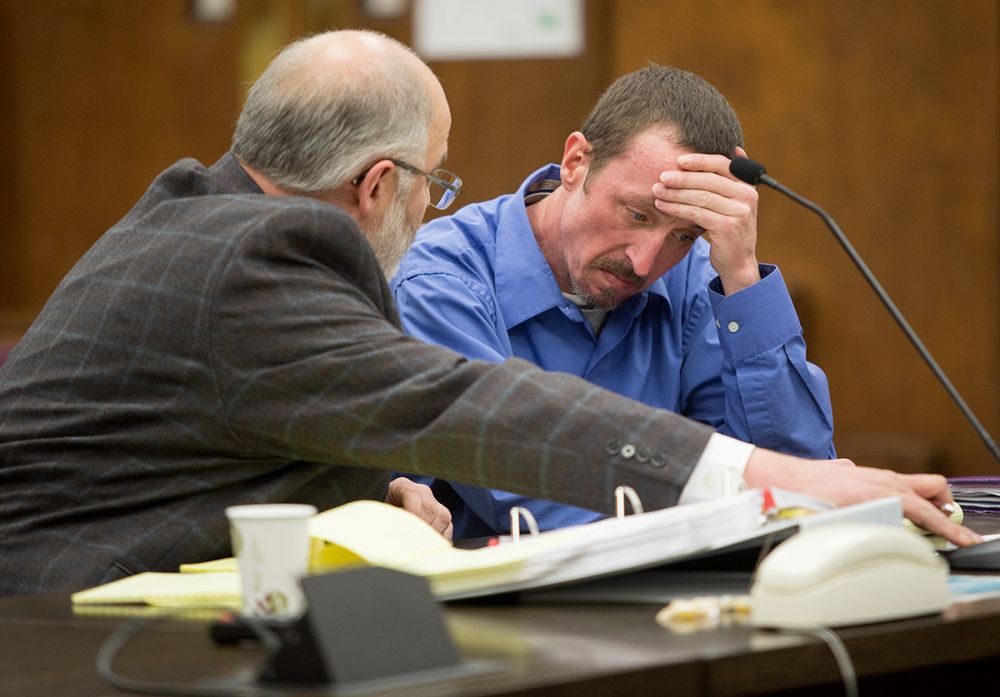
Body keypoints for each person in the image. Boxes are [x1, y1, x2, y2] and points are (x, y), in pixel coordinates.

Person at [0, 31, 976, 598]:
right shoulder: (268, 256)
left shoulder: (191, 213)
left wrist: (361, 491)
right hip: (42, 638)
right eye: (435, 180)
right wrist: (776, 481)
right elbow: (475, 411)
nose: (439, 202)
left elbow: (211, 428)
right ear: (379, 183)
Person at [391, 65, 838, 537]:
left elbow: (800, 483)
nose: (644, 265)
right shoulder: (440, 282)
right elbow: (531, 497)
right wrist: (718, 502)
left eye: (684, 235)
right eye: (636, 214)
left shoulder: (697, 279)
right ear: (576, 162)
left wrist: (743, 276)